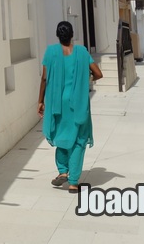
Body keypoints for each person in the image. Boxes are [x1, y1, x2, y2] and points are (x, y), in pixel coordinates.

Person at [37, 21, 103, 193]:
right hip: (77, 102)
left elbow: (44, 78)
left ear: (58, 35)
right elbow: (98, 74)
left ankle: (63, 171)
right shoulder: (81, 52)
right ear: (72, 34)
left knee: (61, 135)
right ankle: (73, 182)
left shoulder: (51, 52)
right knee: (78, 139)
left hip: (57, 102)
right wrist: (83, 81)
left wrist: (40, 101)